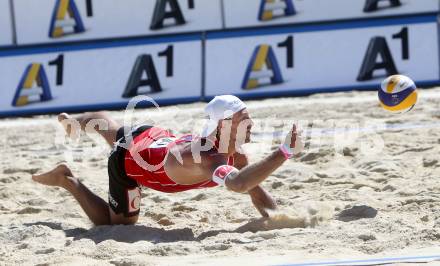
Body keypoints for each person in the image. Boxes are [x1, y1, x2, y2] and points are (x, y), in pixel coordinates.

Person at [32, 95, 303, 226]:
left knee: (114, 129)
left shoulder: (236, 153)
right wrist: (284, 152)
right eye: (243, 119)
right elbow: (239, 184)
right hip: (127, 163)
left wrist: (278, 219)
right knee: (115, 227)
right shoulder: (206, 159)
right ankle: (67, 180)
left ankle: (77, 122)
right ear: (222, 126)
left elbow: (255, 189)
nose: (251, 123)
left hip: (151, 136)